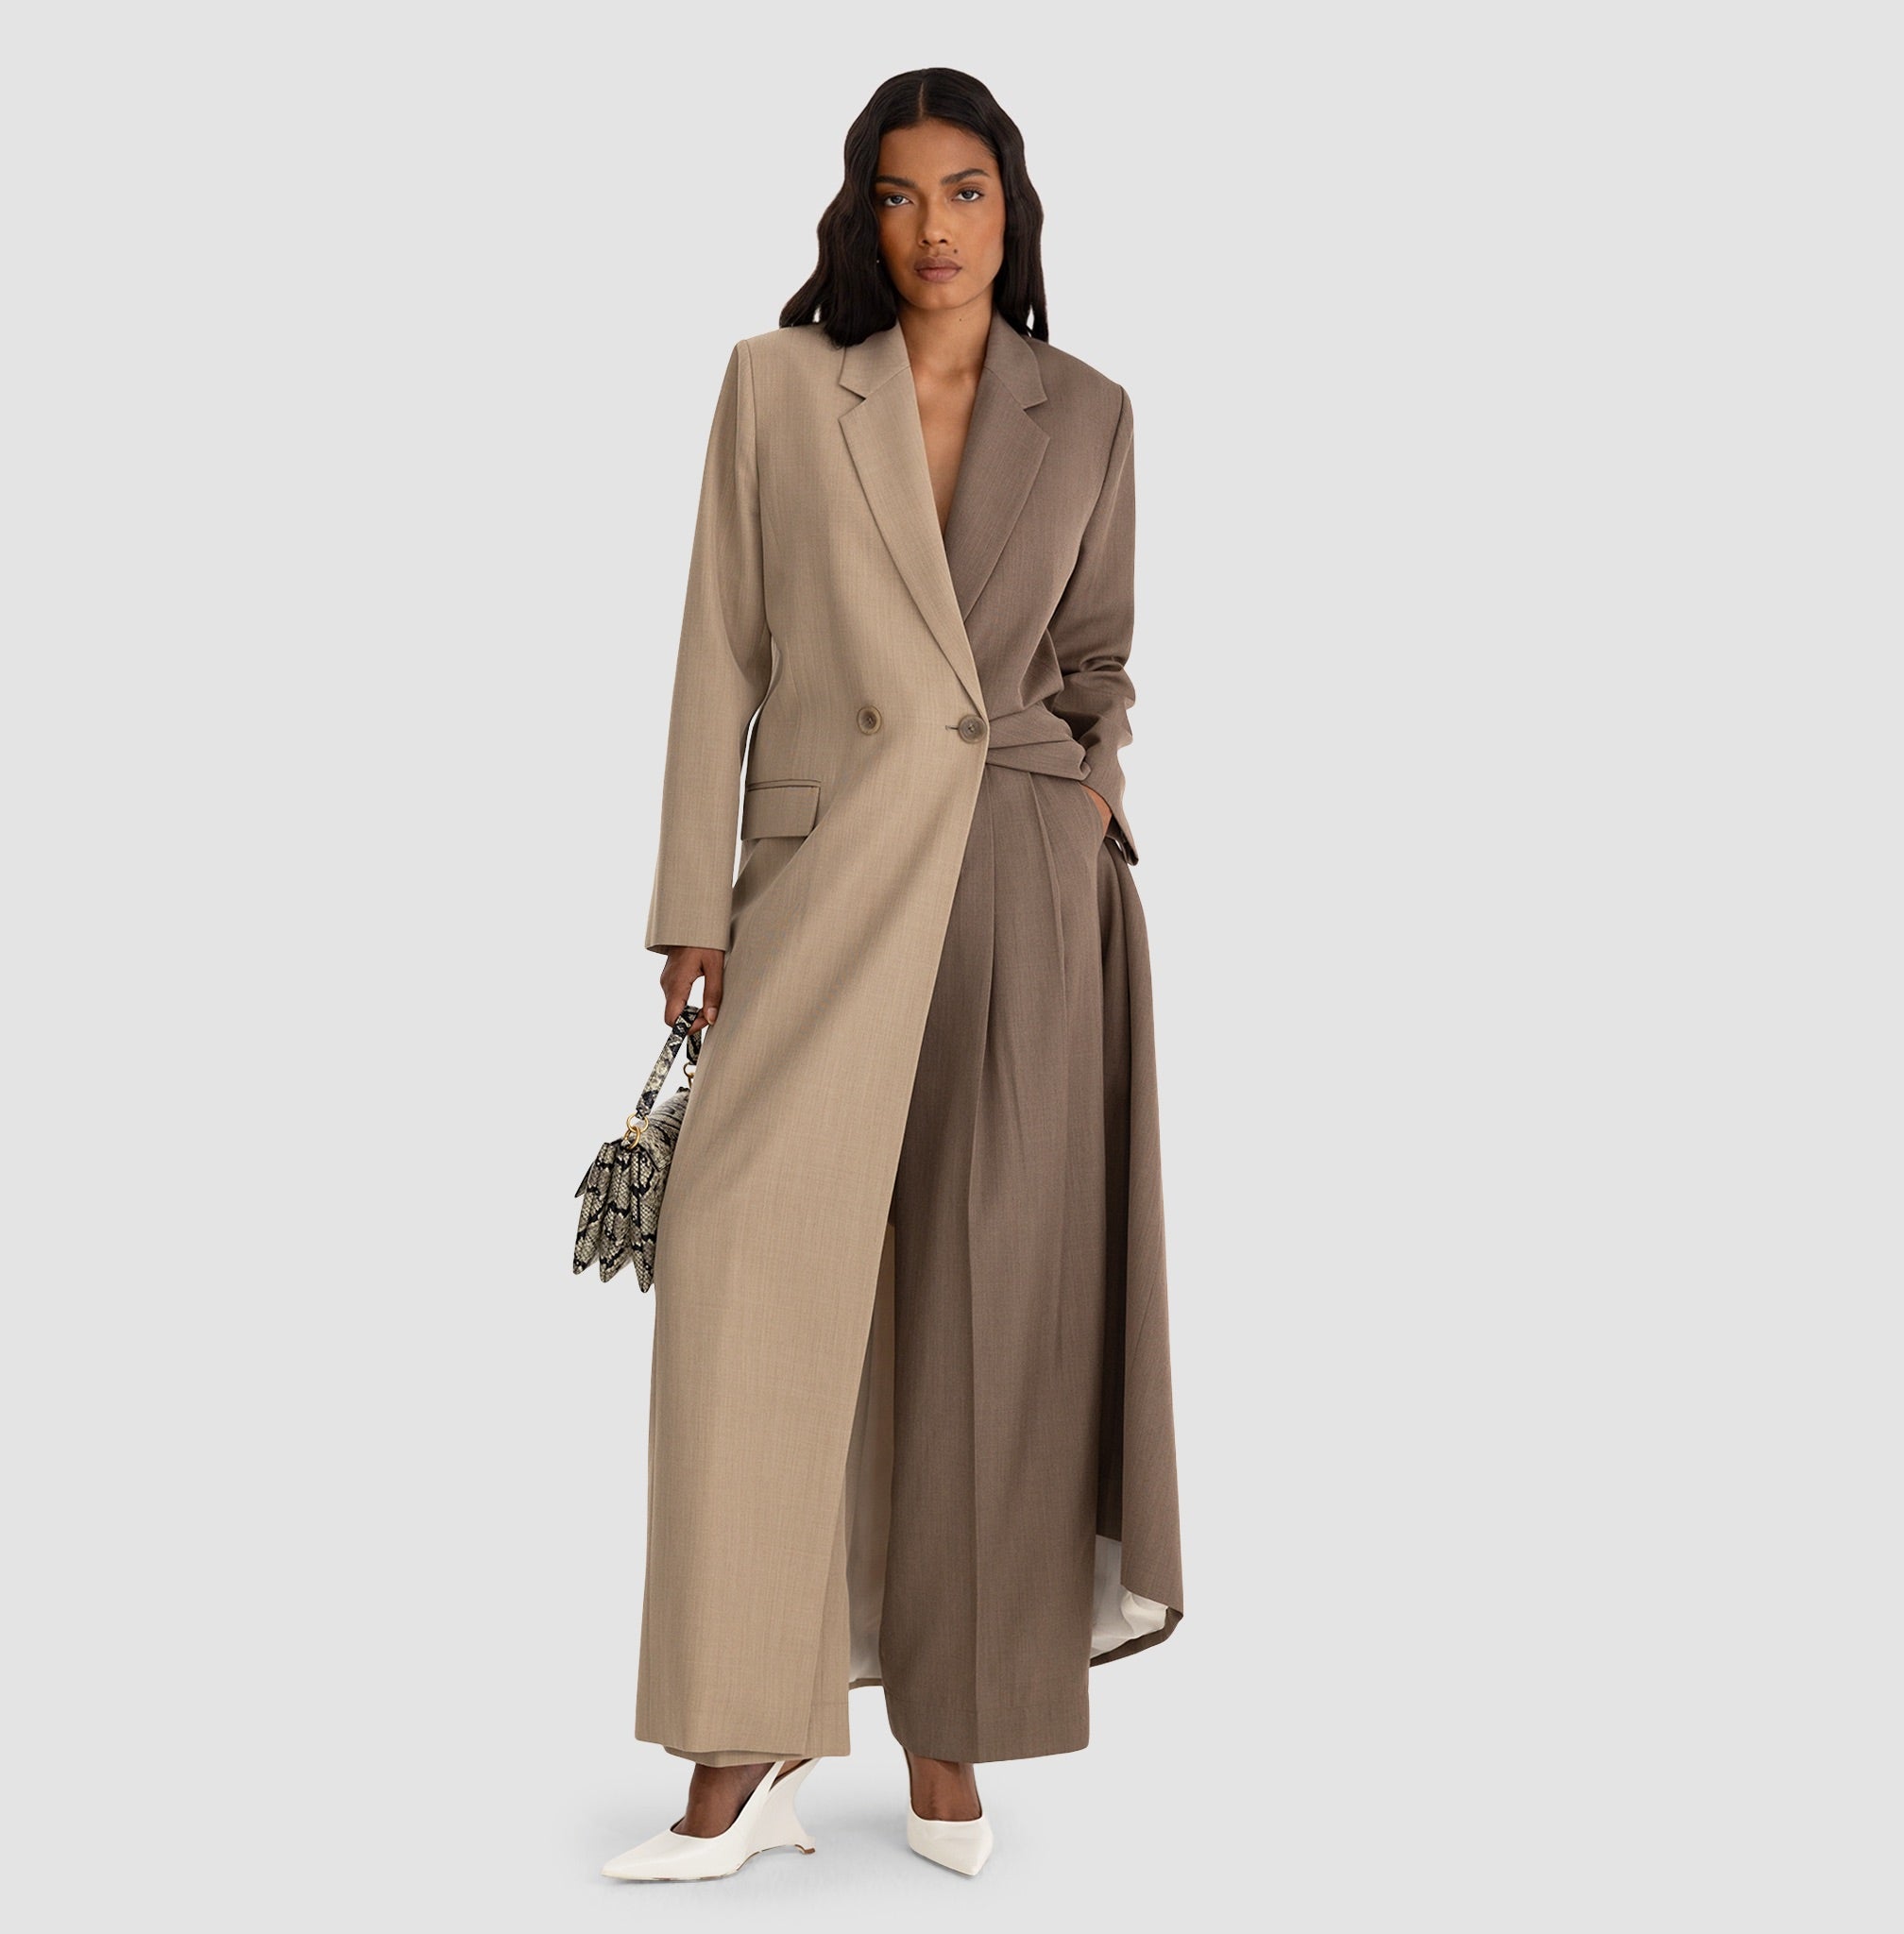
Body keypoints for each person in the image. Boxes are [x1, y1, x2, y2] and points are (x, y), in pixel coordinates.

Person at [603, 66, 1183, 1884]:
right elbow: (720, 643)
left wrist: (1087, 801)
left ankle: (950, 1729)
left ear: (1014, 210)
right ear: (861, 212)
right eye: (900, 193)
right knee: (743, 1280)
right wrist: (693, 903)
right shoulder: (781, 386)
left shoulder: (1089, 413)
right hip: (821, 882)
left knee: (985, 1304)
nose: (936, 227)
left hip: (1017, 885)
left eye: (969, 191)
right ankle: (744, 1737)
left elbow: (1099, 657)